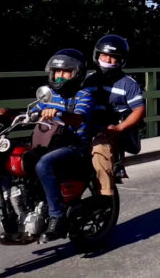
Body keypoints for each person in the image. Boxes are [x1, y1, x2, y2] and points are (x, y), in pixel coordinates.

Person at [31, 49, 95, 240]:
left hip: (75, 146)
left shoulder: (84, 95)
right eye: (56, 72)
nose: (59, 76)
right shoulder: (49, 95)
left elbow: (78, 119)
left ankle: (57, 217)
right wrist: (4, 113)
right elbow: (33, 112)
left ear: (76, 74)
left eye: (65, 72)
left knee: (44, 164)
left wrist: (58, 114)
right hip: (53, 143)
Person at [84, 35, 146, 202]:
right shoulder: (88, 79)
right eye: (104, 56)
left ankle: (104, 199)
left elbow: (139, 110)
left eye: (113, 57)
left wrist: (119, 128)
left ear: (121, 60)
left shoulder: (128, 83)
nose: (108, 60)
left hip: (109, 132)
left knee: (99, 152)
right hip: (84, 128)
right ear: (97, 56)